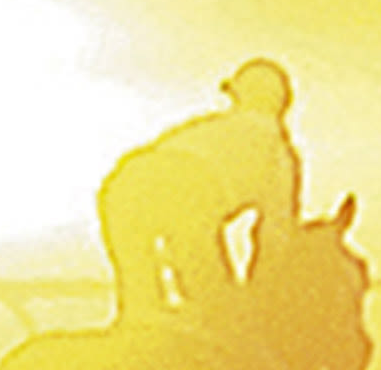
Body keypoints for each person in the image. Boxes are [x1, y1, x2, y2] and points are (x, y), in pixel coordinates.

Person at [100, 59, 305, 329]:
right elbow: (274, 237)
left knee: (141, 312)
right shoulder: (278, 153)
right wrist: (255, 300)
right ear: (284, 103)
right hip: (189, 186)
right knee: (217, 314)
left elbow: (154, 164)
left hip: (124, 182)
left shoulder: (204, 127)